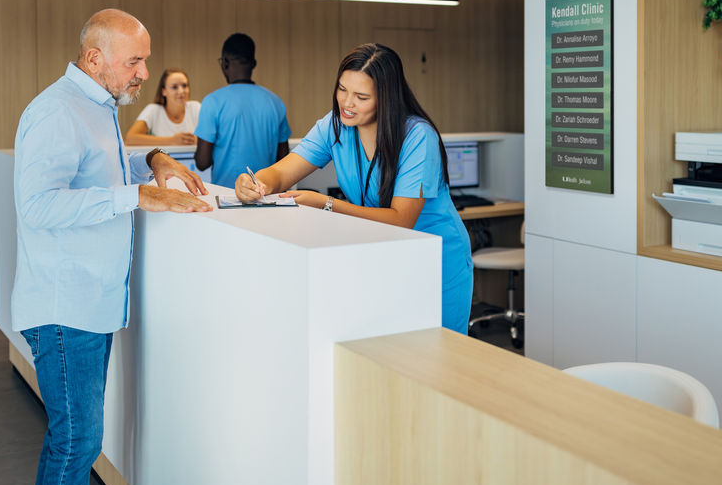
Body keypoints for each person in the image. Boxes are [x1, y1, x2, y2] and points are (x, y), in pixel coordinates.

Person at [12, 8, 212, 485]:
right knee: (76, 443)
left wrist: (153, 162)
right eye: (136, 62)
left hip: (88, 305)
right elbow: (37, 205)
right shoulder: (57, 111)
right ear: (95, 57)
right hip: (64, 307)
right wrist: (135, 195)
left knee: (75, 442)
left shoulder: (97, 105)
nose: (144, 74)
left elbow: (93, 172)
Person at [235, 43, 473, 333]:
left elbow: (402, 219)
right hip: (382, 255)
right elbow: (282, 172)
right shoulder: (335, 125)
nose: (347, 103)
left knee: (438, 360)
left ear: (386, 98)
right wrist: (255, 182)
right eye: (342, 89)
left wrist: (326, 204)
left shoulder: (417, 136)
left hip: (435, 260)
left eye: (361, 97)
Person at [194, 33, 291, 186]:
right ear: (254, 64)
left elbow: (202, 162)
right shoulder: (275, 102)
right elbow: (284, 160)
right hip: (266, 196)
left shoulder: (212, 101)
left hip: (227, 198)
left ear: (224, 63)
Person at [125, 68, 200, 146]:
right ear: (164, 91)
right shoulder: (153, 110)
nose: (181, 91)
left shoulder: (196, 108)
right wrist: (172, 141)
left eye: (184, 86)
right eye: (174, 87)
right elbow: (130, 139)